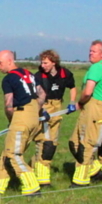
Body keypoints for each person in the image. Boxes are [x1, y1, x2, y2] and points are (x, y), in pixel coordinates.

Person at [0, 50, 45, 196]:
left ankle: (32, 186)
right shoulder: (29, 74)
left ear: (9, 61)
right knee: (8, 151)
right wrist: (36, 110)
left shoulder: (8, 79)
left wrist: (11, 120)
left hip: (21, 116)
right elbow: (42, 94)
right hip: (34, 117)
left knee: (13, 154)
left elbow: (8, 105)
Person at [68, 40, 102, 186]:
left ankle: (80, 180)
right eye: (90, 51)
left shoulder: (96, 68)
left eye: (94, 51)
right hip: (100, 108)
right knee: (74, 142)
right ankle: (96, 171)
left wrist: (80, 102)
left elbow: (88, 91)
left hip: (96, 108)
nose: (90, 53)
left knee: (86, 144)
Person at [31, 49, 76, 186]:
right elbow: (34, 96)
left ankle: (34, 169)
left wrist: (72, 102)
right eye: (42, 62)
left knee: (53, 142)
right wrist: (41, 110)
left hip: (58, 106)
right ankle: (42, 179)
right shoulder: (38, 76)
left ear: (53, 62)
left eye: (45, 62)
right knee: (45, 143)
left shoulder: (65, 73)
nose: (42, 65)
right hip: (43, 106)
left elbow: (72, 87)